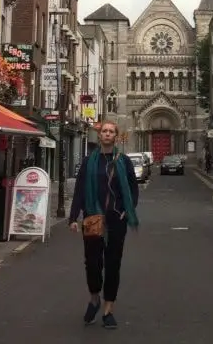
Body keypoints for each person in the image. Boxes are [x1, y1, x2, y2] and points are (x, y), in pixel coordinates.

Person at [69, 122, 139, 330]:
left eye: (111, 131)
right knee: (92, 263)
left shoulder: (124, 161)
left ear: (116, 136)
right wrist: (73, 217)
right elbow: (80, 190)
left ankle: (108, 309)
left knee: (113, 264)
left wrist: (129, 209)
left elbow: (133, 189)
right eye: (104, 131)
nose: (107, 134)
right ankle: (94, 298)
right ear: (99, 136)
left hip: (116, 220)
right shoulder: (89, 161)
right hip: (93, 218)